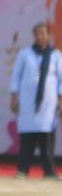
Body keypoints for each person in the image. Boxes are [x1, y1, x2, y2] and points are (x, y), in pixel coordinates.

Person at [11, 19, 60, 179]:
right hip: (27, 103)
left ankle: (49, 172)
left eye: (42, 33)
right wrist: (14, 96)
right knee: (27, 137)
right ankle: (22, 170)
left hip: (48, 104)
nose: (39, 36)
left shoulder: (56, 56)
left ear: (49, 35)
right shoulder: (25, 54)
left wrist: (60, 100)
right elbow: (16, 76)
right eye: (36, 34)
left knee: (46, 138)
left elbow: (61, 80)